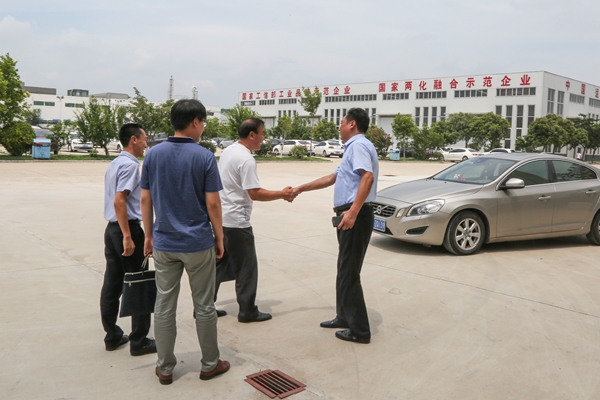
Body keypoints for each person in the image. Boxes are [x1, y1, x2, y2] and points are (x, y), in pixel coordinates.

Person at [141, 99, 229, 385]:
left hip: (165, 243)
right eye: (203, 122)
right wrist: (220, 236)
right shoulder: (203, 157)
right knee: (204, 305)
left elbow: (145, 198)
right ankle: (209, 364)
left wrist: (148, 234)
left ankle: (165, 368)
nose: (203, 128)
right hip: (198, 242)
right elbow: (213, 204)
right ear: (193, 121)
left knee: (164, 305)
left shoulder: (153, 154)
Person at [293, 108, 378, 344]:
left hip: (355, 215)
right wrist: (301, 188)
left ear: (352, 124)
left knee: (349, 274)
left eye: (341, 122)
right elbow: (333, 177)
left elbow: (367, 177)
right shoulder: (352, 148)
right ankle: (344, 316)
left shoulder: (358, 145)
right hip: (350, 215)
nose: (338, 126)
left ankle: (360, 330)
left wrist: (352, 212)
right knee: (344, 270)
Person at [215, 118, 294, 323]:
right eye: (261, 133)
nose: (263, 137)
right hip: (237, 223)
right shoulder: (246, 159)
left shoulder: (229, 151)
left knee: (219, 264)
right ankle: (247, 310)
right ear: (252, 135)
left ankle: (203, 307)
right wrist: (282, 194)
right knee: (246, 268)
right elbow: (255, 193)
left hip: (221, 219)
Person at [101, 123, 157, 356]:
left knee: (112, 284)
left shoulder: (115, 163)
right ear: (134, 139)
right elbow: (119, 201)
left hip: (112, 230)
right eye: (145, 139)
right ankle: (139, 341)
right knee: (139, 284)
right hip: (127, 230)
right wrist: (128, 236)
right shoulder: (131, 165)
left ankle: (113, 336)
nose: (146, 143)